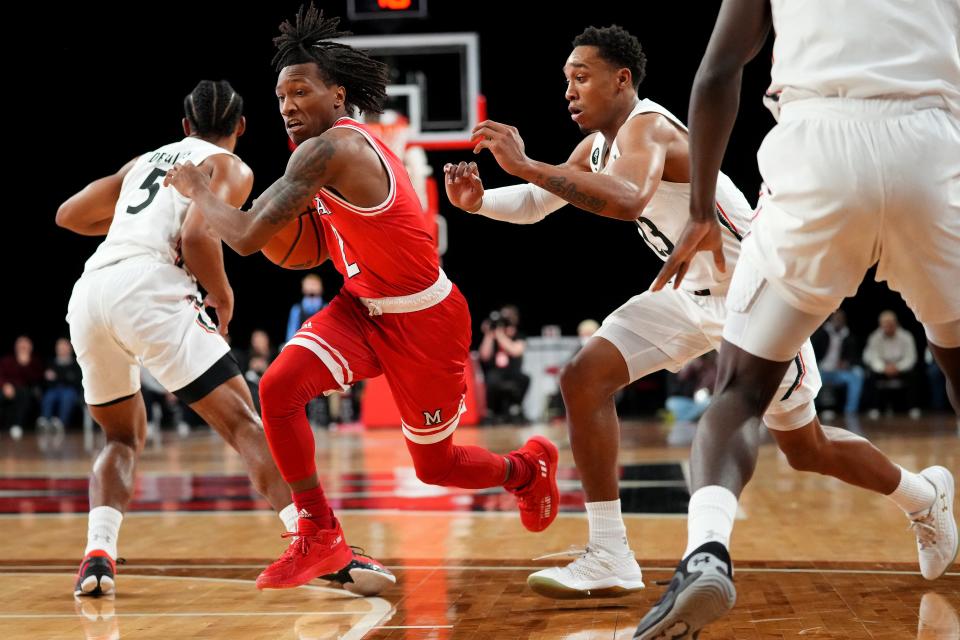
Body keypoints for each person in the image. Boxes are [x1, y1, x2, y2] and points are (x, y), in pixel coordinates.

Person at [445, 23, 950, 605]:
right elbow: (540, 202)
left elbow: (629, 198)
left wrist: (528, 163)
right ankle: (610, 553)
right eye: (566, 80)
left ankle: (921, 497)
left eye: (581, 77)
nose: (569, 91)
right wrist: (481, 202)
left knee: (806, 448)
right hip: (684, 294)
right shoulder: (597, 145)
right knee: (584, 377)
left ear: (622, 79)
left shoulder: (651, 128)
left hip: (753, 297)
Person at [162, 4, 559, 592]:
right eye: (279, 98)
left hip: (424, 318)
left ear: (338, 96)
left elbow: (244, 237)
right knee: (276, 389)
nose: (288, 106)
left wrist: (198, 188)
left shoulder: (330, 151)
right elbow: (308, 248)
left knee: (435, 465)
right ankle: (319, 534)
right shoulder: (327, 159)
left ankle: (527, 470)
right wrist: (273, 230)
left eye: (300, 91)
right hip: (362, 305)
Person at [637, 0, 959, 634]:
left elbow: (717, 72)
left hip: (820, 149)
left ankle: (706, 551)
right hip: (932, 143)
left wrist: (701, 209)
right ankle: (923, 498)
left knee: (738, 392)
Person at [57, 79, 387, 599]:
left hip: (91, 292)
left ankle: (98, 553)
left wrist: (129, 222)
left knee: (120, 438)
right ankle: (317, 542)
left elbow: (69, 215)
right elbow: (195, 236)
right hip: (151, 288)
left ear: (184, 126)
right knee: (245, 425)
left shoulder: (141, 163)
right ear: (240, 127)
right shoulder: (228, 164)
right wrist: (222, 294)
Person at [862, 310, 921, 417]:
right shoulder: (875, 337)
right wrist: (884, 368)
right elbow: (873, 357)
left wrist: (897, 367)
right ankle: (874, 408)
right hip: (882, 368)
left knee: (914, 375)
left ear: (896, 324)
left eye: (890, 324)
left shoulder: (906, 336)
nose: (888, 327)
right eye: (885, 325)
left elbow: (911, 357)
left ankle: (913, 407)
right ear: (881, 325)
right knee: (870, 376)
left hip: (901, 368)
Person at [478, 305, 529, 424]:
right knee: (491, 379)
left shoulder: (519, 336)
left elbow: (515, 351)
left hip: (513, 372)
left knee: (525, 379)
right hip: (495, 373)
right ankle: (490, 411)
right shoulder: (493, 336)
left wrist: (501, 335)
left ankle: (515, 409)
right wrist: (489, 334)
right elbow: (484, 356)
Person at [811, 310, 864, 416]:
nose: (838, 321)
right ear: (831, 320)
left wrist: (846, 363)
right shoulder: (821, 333)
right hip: (820, 370)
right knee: (810, 378)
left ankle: (850, 411)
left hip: (839, 372)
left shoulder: (849, 336)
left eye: (841, 319)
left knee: (857, 375)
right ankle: (811, 412)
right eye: (836, 319)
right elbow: (811, 352)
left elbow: (855, 357)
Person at [0, 336, 44, 438]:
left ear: (30, 347)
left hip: (25, 389)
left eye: (25, 345)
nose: (23, 347)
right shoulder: (7, 360)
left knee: (24, 394)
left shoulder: (35, 361)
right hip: (7, 387)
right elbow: (1, 375)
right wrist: (5, 386)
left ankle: (17, 425)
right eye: (20, 345)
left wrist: (26, 364)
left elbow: (36, 379)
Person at [38, 338, 83, 432]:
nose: (62, 349)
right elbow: (47, 381)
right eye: (59, 347)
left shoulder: (76, 363)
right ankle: (46, 421)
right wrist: (64, 377)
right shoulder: (51, 362)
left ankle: (61, 423)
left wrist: (57, 377)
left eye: (64, 346)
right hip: (54, 389)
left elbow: (76, 381)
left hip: (70, 390)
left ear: (70, 348)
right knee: (48, 396)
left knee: (67, 396)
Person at [286, 274, 326, 342]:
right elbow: (291, 333)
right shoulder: (297, 309)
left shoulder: (326, 308)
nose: (312, 287)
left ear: (321, 287)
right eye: (309, 284)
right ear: (303, 288)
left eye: (315, 284)